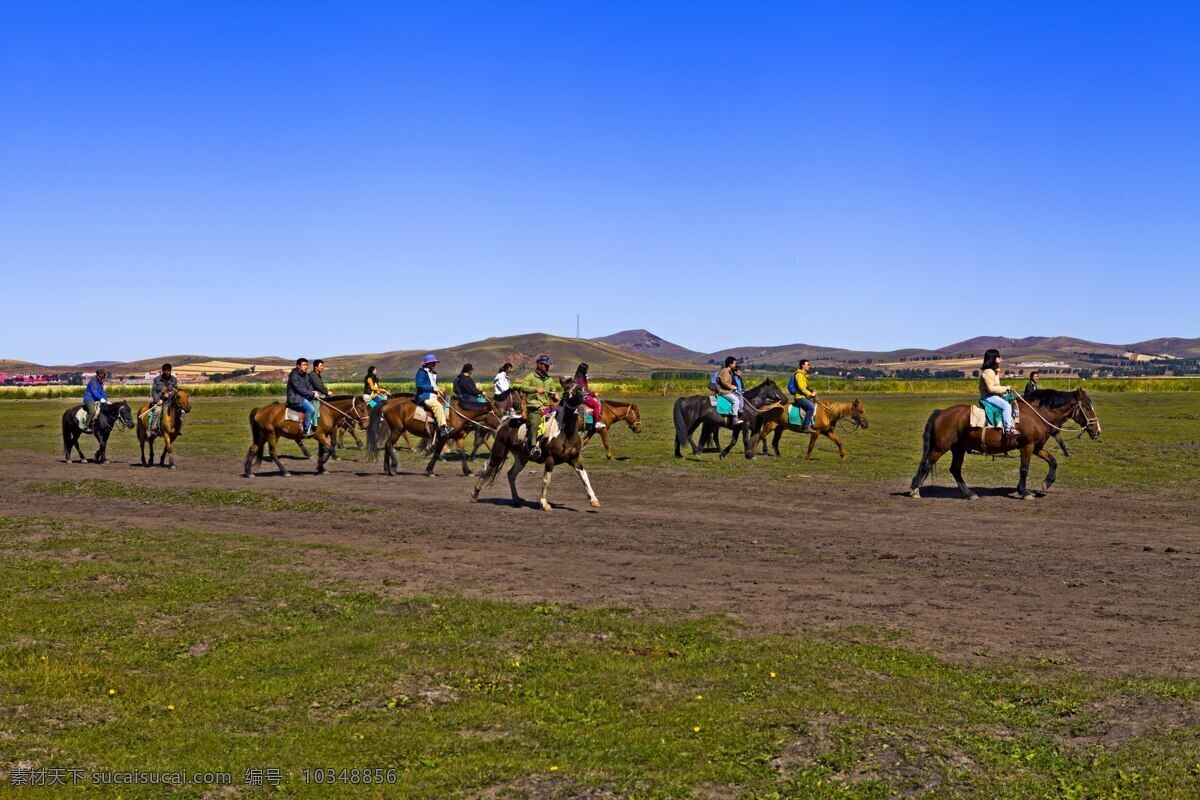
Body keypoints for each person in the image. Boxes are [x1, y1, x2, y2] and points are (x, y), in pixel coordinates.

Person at [517, 354, 558, 458]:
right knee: (535, 423)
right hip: (534, 407)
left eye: (548, 365)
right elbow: (523, 387)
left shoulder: (549, 379)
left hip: (547, 407)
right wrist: (535, 389)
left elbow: (553, 390)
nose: (547, 367)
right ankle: (534, 446)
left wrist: (555, 394)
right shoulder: (531, 377)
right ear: (539, 364)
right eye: (545, 365)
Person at [979, 349, 1018, 436]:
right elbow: (991, 388)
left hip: (994, 395)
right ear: (993, 358)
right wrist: (1005, 388)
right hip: (988, 396)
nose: (1000, 358)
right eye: (998, 356)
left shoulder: (993, 371)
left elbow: (996, 386)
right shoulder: (988, 372)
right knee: (1006, 406)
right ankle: (1008, 429)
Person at [414, 354, 451, 439]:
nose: (434, 364)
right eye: (432, 362)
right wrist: (433, 388)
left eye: (435, 362)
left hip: (434, 395)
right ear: (427, 363)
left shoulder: (433, 373)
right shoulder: (421, 373)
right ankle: (442, 429)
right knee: (437, 406)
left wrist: (439, 391)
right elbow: (420, 385)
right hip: (424, 396)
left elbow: (434, 386)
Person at [286, 358, 317, 436]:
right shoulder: (294, 376)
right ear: (298, 366)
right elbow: (299, 389)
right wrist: (311, 394)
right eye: (303, 365)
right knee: (310, 409)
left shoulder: (305, 375)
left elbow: (309, 386)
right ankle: (306, 430)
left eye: (306, 365)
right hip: (295, 398)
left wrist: (313, 392)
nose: (306, 366)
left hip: (302, 397)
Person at [148, 363, 179, 434]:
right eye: (167, 371)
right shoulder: (157, 379)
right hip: (160, 400)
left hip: (171, 401)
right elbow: (154, 391)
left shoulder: (173, 379)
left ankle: (178, 428)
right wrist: (156, 401)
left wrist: (170, 393)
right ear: (163, 371)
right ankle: (153, 428)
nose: (168, 373)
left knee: (181, 412)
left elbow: (176, 390)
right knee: (158, 411)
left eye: (169, 371)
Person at [573, 362, 605, 431]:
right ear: (583, 370)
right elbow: (584, 391)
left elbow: (586, 389)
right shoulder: (580, 378)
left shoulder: (579, 377)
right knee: (596, 405)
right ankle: (597, 422)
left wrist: (593, 393)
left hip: (582, 395)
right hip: (582, 397)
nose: (587, 371)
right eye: (586, 370)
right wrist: (593, 394)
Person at [790, 359, 817, 433]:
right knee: (811, 408)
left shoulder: (803, 374)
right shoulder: (799, 374)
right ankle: (806, 427)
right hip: (800, 397)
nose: (809, 366)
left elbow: (805, 387)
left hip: (804, 397)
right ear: (802, 365)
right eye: (808, 364)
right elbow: (801, 387)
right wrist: (810, 394)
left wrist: (811, 392)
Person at [713, 356, 740, 425]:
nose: (735, 365)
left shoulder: (728, 371)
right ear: (730, 364)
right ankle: (734, 419)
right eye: (734, 363)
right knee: (736, 400)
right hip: (723, 392)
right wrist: (732, 387)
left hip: (727, 391)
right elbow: (724, 382)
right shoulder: (725, 371)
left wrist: (732, 386)